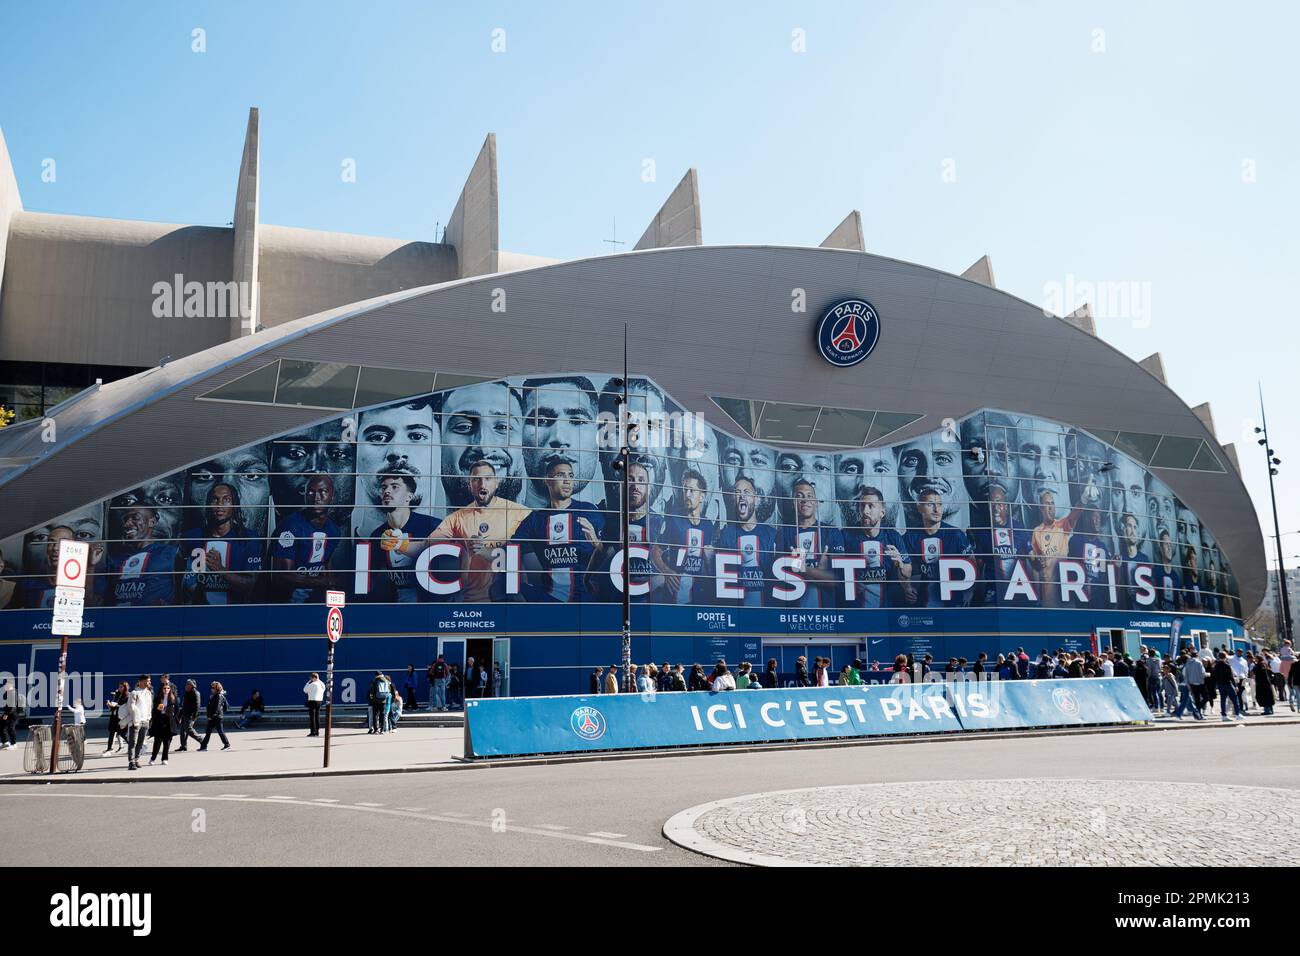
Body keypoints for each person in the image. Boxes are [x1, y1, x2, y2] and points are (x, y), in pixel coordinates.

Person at [124, 675, 153, 770]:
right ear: (141, 681)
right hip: (136, 721)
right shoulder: (134, 693)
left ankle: (136, 759)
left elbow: (149, 706)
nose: (148, 683)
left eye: (149, 681)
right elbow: (130, 707)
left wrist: (149, 717)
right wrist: (135, 719)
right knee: (132, 742)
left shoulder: (148, 693)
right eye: (147, 681)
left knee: (141, 742)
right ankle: (131, 762)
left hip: (145, 721)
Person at [148, 678, 177, 765]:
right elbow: (154, 711)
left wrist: (175, 718)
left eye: (168, 688)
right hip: (160, 720)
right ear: (162, 689)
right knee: (157, 740)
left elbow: (177, 710)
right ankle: (153, 758)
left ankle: (164, 758)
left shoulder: (173, 698)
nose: (166, 690)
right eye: (164, 688)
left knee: (167, 741)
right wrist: (158, 710)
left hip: (169, 721)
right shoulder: (158, 698)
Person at [199, 681, 231, 751]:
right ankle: (204, 747)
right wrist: (209, 715)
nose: (211, 689)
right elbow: (209, 706)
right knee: (208, 731)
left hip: (217, 717)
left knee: (220, 731)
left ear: (217, 688)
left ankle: (227, 745)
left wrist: (213, 715)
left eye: (213, 687)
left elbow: (217, 707)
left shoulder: (219, 696)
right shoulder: (213, 696)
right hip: (212, 716)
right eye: (211, 687)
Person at [1212, 652, 1242, 721]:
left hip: (1220, 684)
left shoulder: (1216, 665)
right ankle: (1237, 714)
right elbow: (1231, 677)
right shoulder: (1227, 665)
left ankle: (1224, 716)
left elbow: (1215, 676)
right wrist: (1235, 686)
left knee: (1223, 700)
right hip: (1228, 684)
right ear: (1225, 657)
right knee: (1235, 699)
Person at [103, 681, 130, 753]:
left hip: (120, 717)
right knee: (112, 732)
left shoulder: (127, 696)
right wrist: (109, 705)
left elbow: (124, 706)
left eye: (121, 687)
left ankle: (132, 745)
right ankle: (110, 748)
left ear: (125, 687)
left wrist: (115, 705)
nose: (119, 688)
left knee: (122, 733)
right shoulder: (117, 695)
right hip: (114, 716)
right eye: (119, 686)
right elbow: (114, 704)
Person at [177, 679, 203, 750]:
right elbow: (183, 705)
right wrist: (179, 716)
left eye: (188, 684)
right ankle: (183, 746)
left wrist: (194, 716)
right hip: (185, 714)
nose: (186, 686)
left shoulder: (196, 693)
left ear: (192, 686)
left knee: (189, 729)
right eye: (186, 684)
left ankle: (202, 741)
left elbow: (197, 705)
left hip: (191, 715)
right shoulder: (186, 693)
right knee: (182, 731)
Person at [304, 672, 325, 737]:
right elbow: (324, 689)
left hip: (312, 701)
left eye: (311, 678)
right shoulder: (321, 684)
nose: (311, 679)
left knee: (312, 717)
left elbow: (305, 690)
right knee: (317, 716)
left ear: (314, 678)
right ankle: (317, 731)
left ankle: (313, 731)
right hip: (319, 701)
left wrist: (308, 682)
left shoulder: (312, 684)